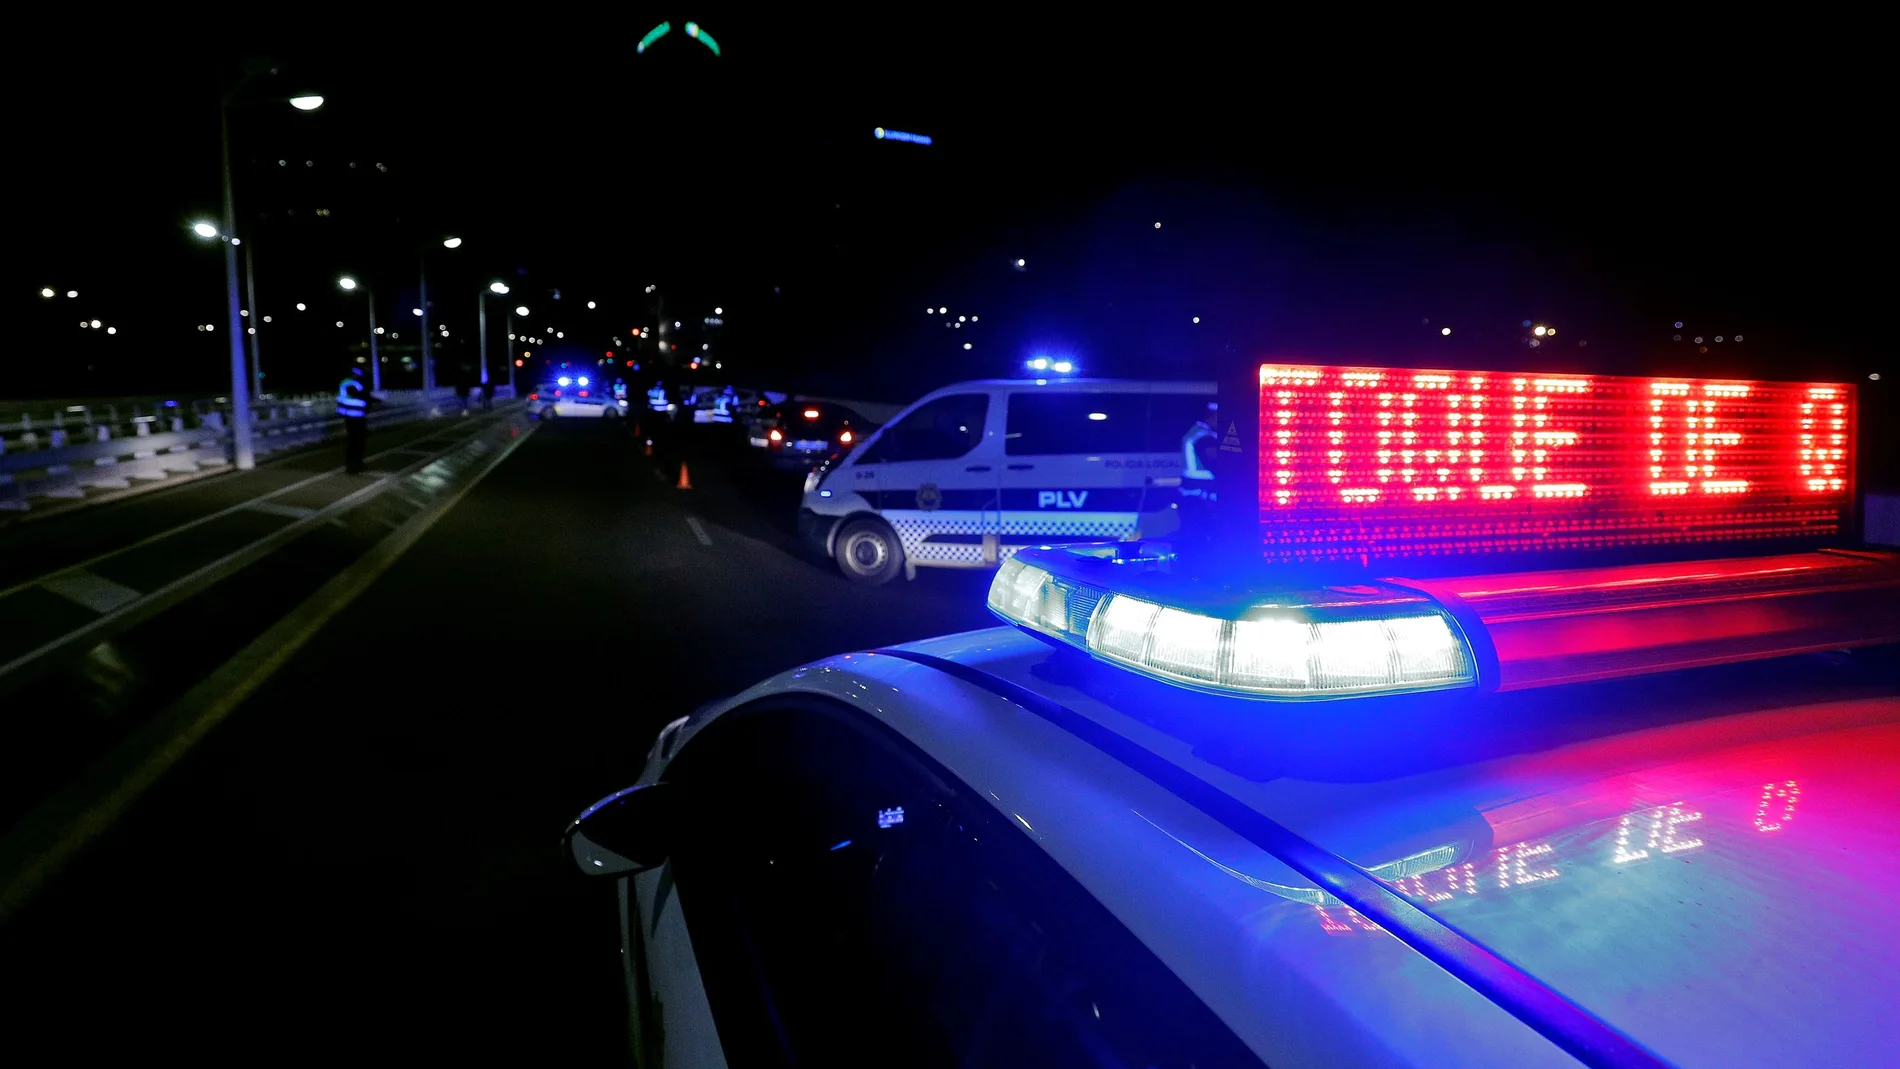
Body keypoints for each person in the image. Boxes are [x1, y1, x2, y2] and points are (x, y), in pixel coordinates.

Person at [336, 365, 381, 474]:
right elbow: (360, 395)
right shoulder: (349, 383)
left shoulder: (354, 383)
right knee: (354, 442)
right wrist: (374, 399)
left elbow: (362, 395)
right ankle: (352, 466)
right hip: (352, 416)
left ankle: (357, 463)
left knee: (358, 441)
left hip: (357, 416)